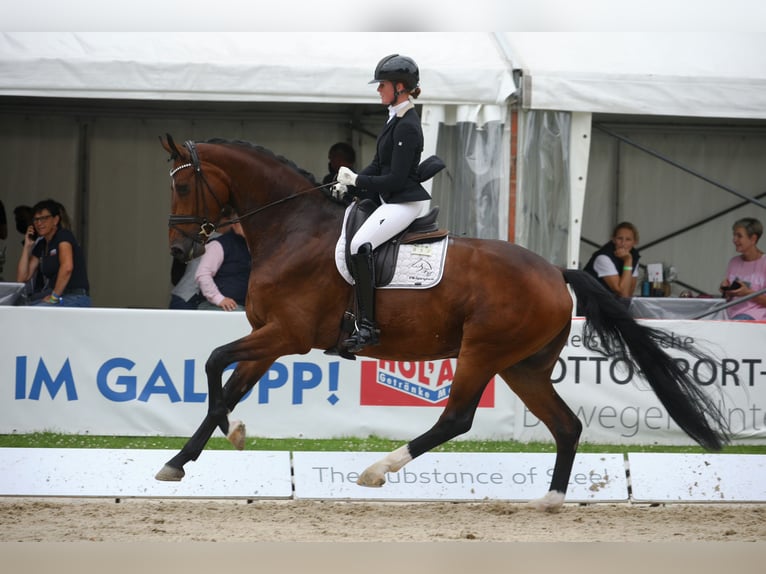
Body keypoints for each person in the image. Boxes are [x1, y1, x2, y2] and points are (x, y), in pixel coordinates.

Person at [333, 54, 431, 353]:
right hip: (390, 199)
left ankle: (368, 327)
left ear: (400, 87)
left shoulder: (408, 126)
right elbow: (378, 164)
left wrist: (358, 181)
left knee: (360, 245)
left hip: (403, 202)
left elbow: (397, 179)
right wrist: (350, 181)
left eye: (383, 85)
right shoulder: (395, 119)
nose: (378, 90)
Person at [16, 199, 91, 306]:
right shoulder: (41, 244)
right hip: (59, 297)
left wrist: (54, 297)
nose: (39, 223)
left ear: (55, 220)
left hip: (75, 296)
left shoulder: (63, 235)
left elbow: (67, 267)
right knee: (22, 308)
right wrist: (27, 247)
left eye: (44, 218)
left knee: (34, 313)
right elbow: (22, 278)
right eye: (36, 219)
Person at [195, 211, 250, 311]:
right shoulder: (218, 245)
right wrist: (219, 299)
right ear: (235, 224)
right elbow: (203, 275)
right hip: (217, 307)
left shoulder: (254, 246)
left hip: (244, 308)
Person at [719, 217, 766, 321]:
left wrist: (748, 293)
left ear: (753, 239)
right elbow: (728, 298)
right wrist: (725, 290)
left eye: (739, 236)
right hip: (730, 314)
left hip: (754, 317)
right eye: (734, 235)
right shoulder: (734, 262)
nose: (734, 240)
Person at [583, 222, 641, 300]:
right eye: (619, 238)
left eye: (628, 239)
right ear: (613, 239)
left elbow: (629, 292)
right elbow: (623, 293)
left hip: (609, 303)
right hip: (590, 303)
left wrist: (629, 260)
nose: (623, 243)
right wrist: (627, 261)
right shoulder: (604, 257)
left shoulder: (633, 256)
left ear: (635, 242)